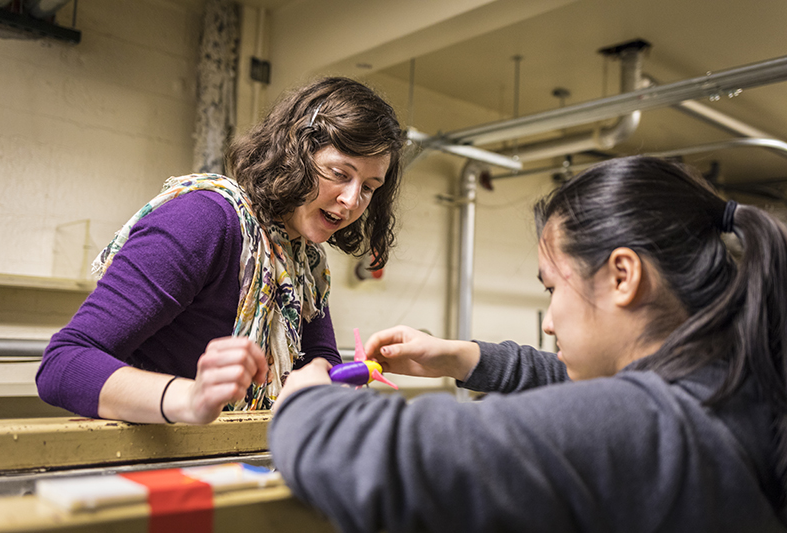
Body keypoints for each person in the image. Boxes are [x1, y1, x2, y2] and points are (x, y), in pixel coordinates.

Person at [269, 155, 787, 532]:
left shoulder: (652, 425)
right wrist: (461, 357)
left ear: (623, 276)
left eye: (552, 288)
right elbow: (583, 386)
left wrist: (306, 398)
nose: (549, 323)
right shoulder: (738, 382)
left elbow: (384, 459)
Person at [36, 77, 404, 424]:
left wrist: (326, 380)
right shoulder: (204, 220)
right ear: (296, 156)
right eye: (340, 174)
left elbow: (317, 358)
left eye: (369, 187)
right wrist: (191, 398)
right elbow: (62, 364)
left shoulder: (304, 260)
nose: (353, 200)